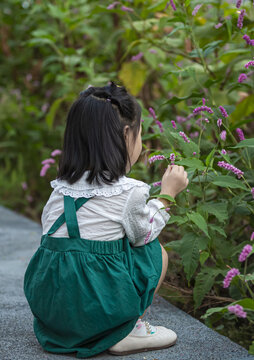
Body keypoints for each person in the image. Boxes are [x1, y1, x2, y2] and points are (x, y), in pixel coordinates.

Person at [23, 81, 189, 358]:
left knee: (82, 250)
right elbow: (143, 234)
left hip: (53, 312)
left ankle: (73, 329)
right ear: (126, 135)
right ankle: (127, 329)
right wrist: (167, 195)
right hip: (102, 304)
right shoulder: (130, 191)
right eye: (139, 136)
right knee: (152, 248)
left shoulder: (59, 189)